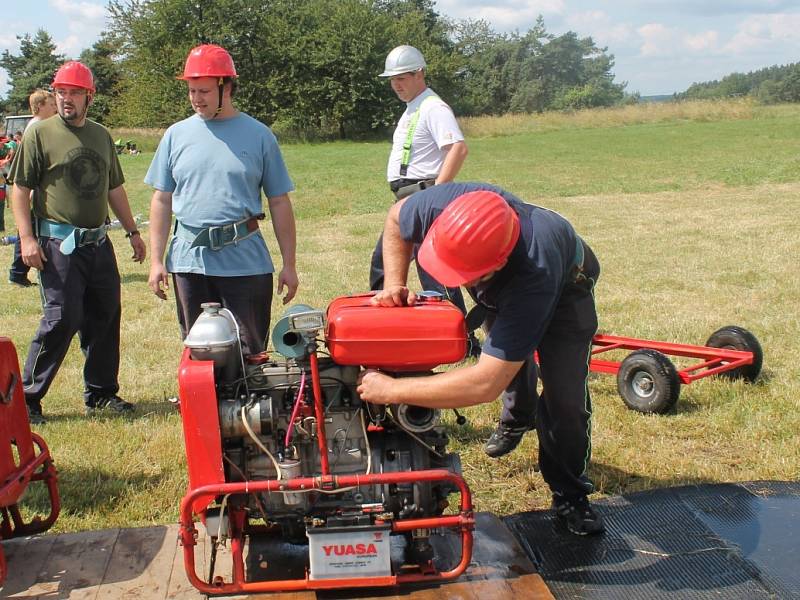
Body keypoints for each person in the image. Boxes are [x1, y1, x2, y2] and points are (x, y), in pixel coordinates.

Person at [357, 183, 605, 536]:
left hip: (567, 287)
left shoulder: (533, 275)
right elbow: (397, 219)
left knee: (564, 398)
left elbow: (486, 382)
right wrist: (394, 282)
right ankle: (519, 418)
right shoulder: (446, 206)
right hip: (503, 284)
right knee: (507, 355)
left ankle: (570, 494)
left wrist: (392, 389)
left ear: (498, 263)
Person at [8, 61, 146, 425]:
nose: (66, 99)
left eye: (74, 92)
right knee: (62, 317)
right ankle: (26, 400)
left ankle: (100, 394)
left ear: (89, 96)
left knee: (105, 314)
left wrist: (132, 231)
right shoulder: (39, 134)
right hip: (58, 245)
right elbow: (19, 188)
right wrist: (26, 238)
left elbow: (114, 187)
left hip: (98, 244)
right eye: (61, 92)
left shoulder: (101, 135)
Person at [146, 44, 298, 355]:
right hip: (190, 262)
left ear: (226, 88)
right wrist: (157, 261)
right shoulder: (175, 135)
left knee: (250, 350)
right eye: (191, 90)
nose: (195, 99)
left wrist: (290, 264)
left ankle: (249, 404)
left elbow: (279, 202)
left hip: (245, 262)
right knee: (200, 349)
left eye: (203, 91)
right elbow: (162, 200)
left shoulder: (259, 136)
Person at [369, 45, 479, 355]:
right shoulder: (414, 107)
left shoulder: (433, 107)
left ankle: (463, 342)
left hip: (424, 200)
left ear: (420, 73)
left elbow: (458, 149)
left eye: (402, 78)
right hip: (408, 202)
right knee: (384, 267)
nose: (396, 85)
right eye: (392, 80)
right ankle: (381, 328)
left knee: (438, 276)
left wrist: (436, 195)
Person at [8, 90, 58, 287]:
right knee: (28, 231)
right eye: (51, 104)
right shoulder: (36, 128)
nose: (55, 108)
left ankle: (19, 273)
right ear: (40, 106)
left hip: (35, 191)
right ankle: (18, 273)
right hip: (34, 192)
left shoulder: (38, 126)